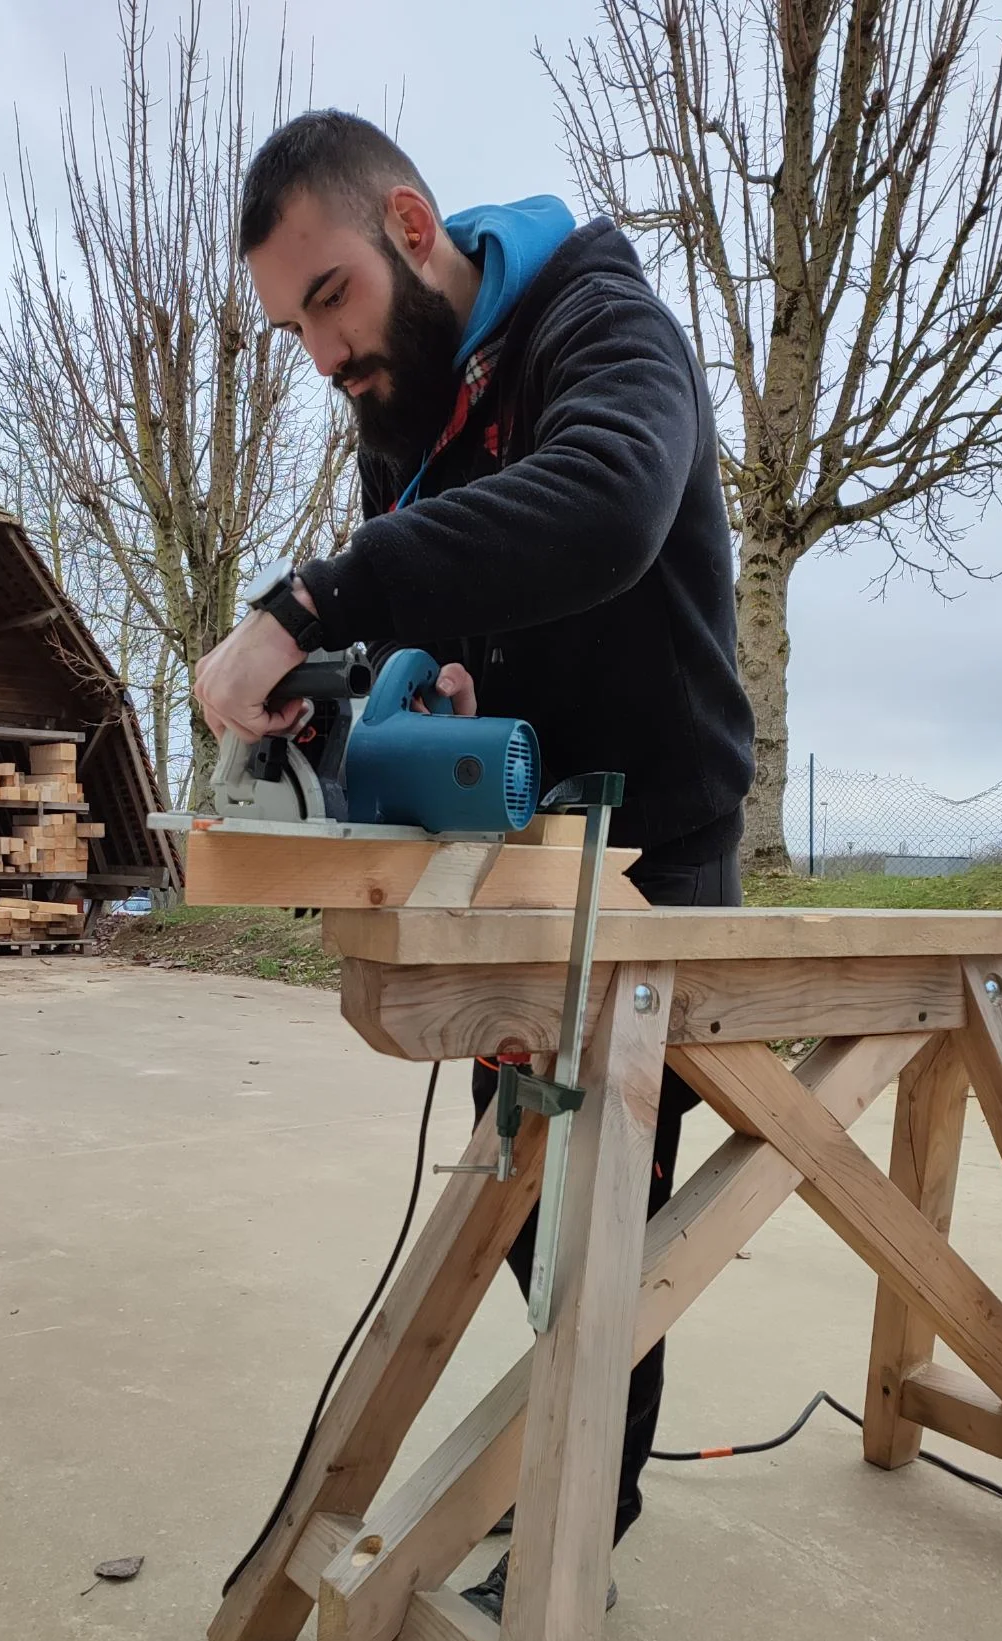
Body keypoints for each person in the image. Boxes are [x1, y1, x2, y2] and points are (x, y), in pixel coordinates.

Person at [194, 110, 754, 1621]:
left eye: (332, 299)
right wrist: (363, 670)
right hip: (522, 833)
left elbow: (606, 511)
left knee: (604, 1208)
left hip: (662, 834)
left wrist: (307, 600)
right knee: (527, 1194)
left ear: (413, 224)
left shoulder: (603, 320)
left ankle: (583, 1527)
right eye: (290, 327)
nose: (323, 354)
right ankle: (575, 1474)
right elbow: (432, 588)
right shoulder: (401, 398)